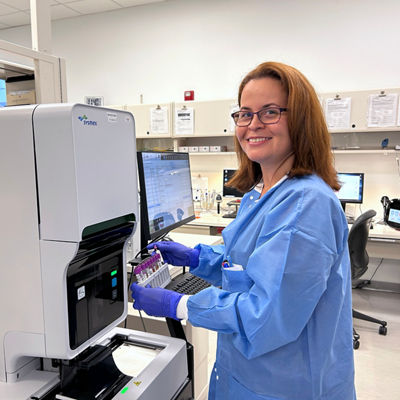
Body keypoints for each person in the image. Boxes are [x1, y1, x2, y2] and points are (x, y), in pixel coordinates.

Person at [131, 61, 356, 400]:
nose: (253, 125)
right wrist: (196, 258)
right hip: (248, 375)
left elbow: (267, 314)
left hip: (285, 384)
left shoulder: (305, 204)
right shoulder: (262, 192)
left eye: (270, 112)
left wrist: (180, 305)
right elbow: (247, 264)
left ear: (300, 119)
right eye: (244, 114)